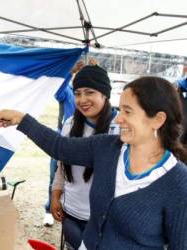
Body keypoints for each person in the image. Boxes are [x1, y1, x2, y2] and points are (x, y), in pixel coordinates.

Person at [0, 76, 187, 250]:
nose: (118, 119)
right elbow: (59, 146)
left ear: (158, 120)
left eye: (128, 112)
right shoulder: (107, 147)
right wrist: (21, 119)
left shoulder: (179, 182)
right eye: (120, 110)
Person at [51, 64, 119, 249]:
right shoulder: (70, 124)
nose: (82, 99)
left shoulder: (120, 126)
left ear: (104, 94)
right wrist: (55, 195)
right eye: (77, 93)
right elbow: (61, 166)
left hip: (103, 220)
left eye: (89, 92)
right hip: (70, 213)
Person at [43, 60, 85, 227]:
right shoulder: (67, 92)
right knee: (55, 177)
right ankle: (48, 211)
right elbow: (57, 89)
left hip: (84, 145)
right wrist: (70, 71)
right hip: (62, 143)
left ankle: (72, 212)